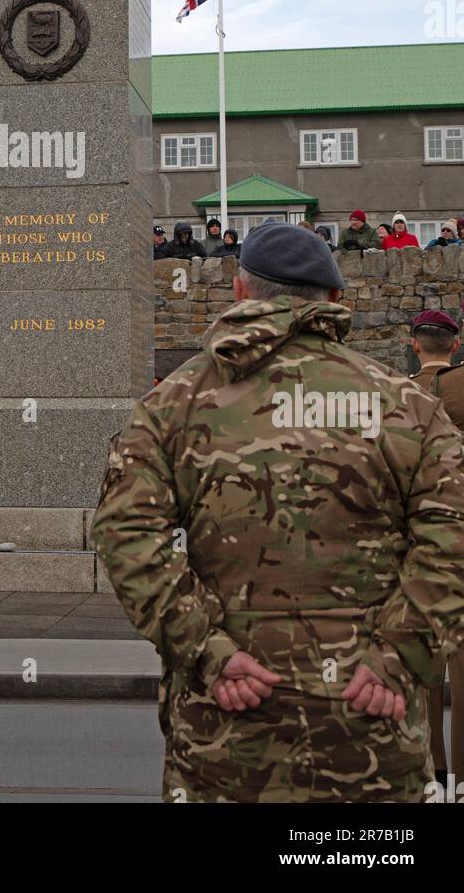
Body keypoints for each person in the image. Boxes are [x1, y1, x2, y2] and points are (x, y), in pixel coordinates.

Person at [93, 222, 464, 803]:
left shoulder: (174, 403)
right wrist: (398, 655)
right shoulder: (407, 405)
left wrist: (206, 650)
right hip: (370, 723)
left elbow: (125, 537)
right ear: (335, 302)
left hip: (227, 727)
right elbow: (451, 537)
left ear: (241, 292)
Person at [409, 310, 464, 785]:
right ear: (455, 343)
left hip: (418, 547)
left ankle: (433, 773)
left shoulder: (399, 392)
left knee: (423, 668)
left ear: (414, 345)